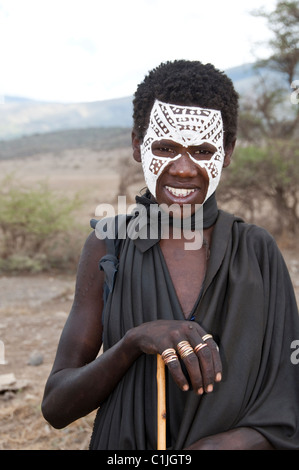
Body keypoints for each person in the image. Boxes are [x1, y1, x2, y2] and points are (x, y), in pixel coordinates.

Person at [42, 60, 299, 450]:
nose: (183, 169)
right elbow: (56, 406)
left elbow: (286, 405)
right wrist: (132, 343)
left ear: (227, 153)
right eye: (165, 148)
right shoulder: (109, 244)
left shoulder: (257, 251)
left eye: (202, 150)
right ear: (136, 145)